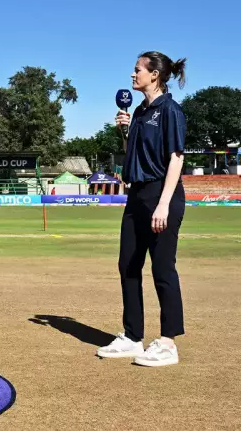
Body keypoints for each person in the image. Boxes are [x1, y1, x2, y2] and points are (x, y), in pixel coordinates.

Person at [97, 51, 188, 367]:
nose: (133, 75)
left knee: (163, 269)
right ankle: (133, 337)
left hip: (162, 194)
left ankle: (167, 343)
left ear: (155, 75)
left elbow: (176, 158)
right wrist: (125, 130)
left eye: (137, 70)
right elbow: (133, 153)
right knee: (127, 265)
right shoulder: (138, 112)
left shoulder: (170, 111)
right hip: (136, 196)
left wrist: (163, 204)